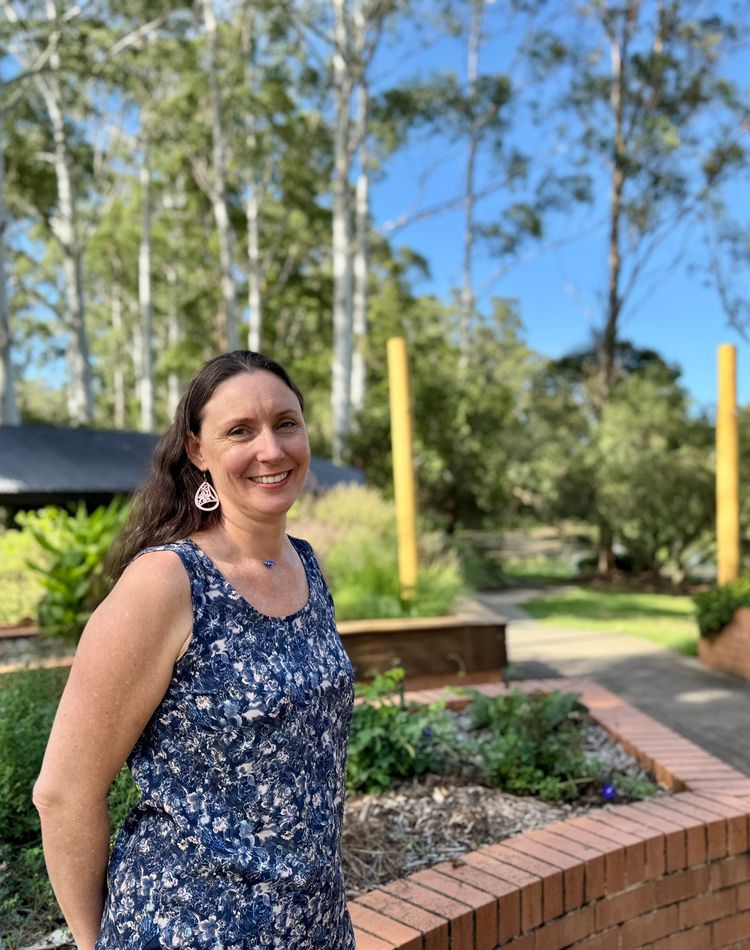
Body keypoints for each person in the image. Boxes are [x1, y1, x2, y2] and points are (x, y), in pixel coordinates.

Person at [32, 351, 357, 950]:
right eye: (240, 430)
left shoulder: (304, 564)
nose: (271, 449)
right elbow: (62, 793)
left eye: (286, 423)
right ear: (197, 451)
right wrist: (90, 942)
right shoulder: (165, 584)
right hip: (187, 929)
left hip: (316, 926)